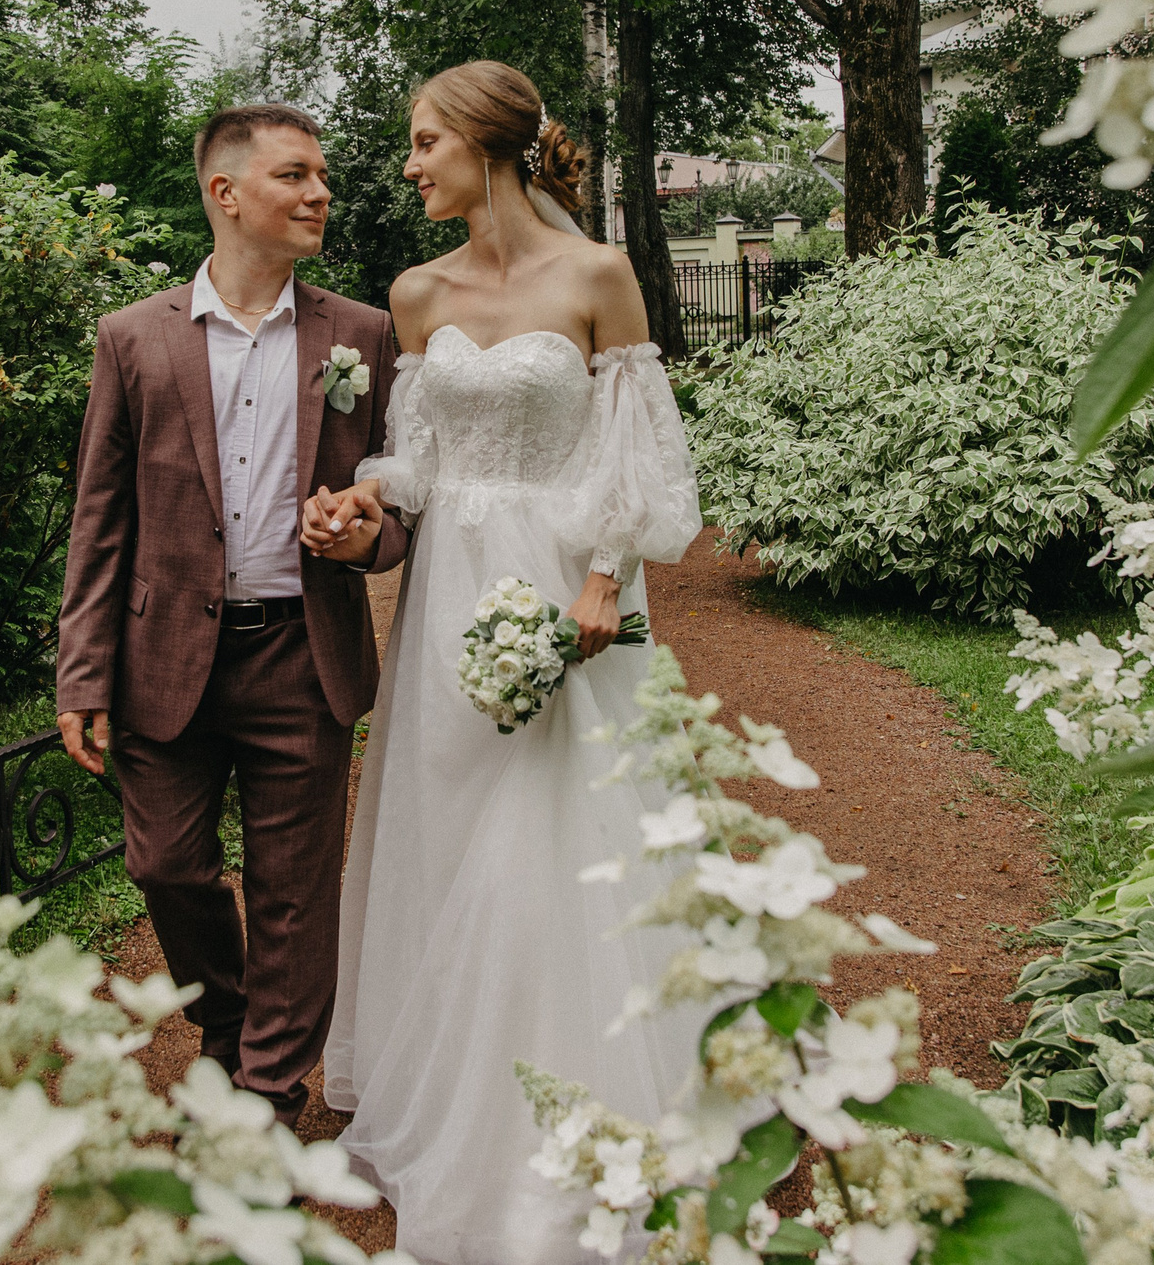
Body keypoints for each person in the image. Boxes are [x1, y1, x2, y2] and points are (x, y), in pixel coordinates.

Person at [301, 61, 705, 1265]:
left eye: (424, 142)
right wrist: (355, 504)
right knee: (456, 820)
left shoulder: (596, 275)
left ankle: (584, 1093)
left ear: (489, 147)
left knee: (562, 825)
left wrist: (599, 579)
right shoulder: (415, 291)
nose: (409, 164)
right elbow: (415, 463)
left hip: (566, 581)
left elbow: (639, 452)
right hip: (445, 602)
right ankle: (450, 1080)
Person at [55, 101, 407, 1125]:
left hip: (304, 652)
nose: (319, 193)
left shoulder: (363, 335)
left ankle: (265, 1092)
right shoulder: (133, 338)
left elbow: (399, 504)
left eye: (321, 176)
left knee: (298, 892)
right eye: (295, 175)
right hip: (163, 658)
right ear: (226, 193)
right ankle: (228, 1014)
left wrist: (364, 537)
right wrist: (82, 670)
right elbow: (99, 516)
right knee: (164, 863)